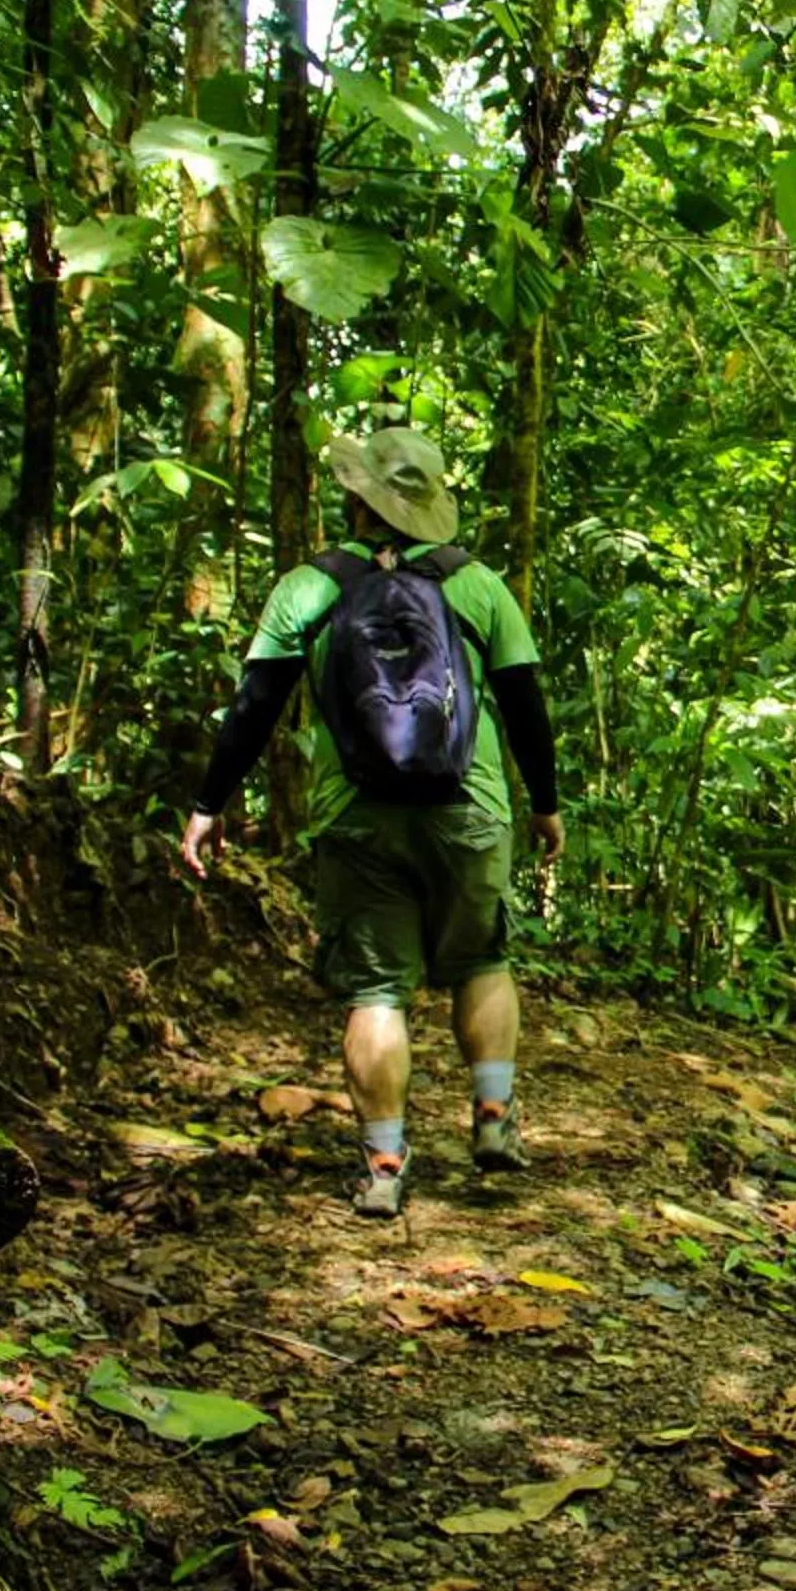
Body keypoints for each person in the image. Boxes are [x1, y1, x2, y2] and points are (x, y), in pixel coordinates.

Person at [179, 426, 564, 1218]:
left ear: (355, 499)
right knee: (481, 959)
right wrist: (546, 802)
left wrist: (209, 804)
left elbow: (255, 706)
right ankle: (493, 1117)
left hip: (356, 812)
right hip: (470, 808)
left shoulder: (309, 588)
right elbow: (524, 704)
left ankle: (385, 1164)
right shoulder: (476, 585)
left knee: (377, 989)